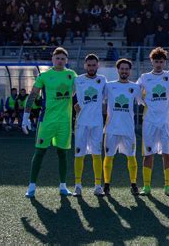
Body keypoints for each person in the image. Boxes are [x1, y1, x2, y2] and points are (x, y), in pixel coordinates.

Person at [23, 47, 78, 198]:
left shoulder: (71, 75)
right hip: (46, 121)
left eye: (62, 59)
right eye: (57, 58)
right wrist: (25, 116)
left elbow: (77, 93)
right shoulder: (44, 76)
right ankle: (32, 186)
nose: (60, 61)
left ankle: (63, 186)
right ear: (52, 59)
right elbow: (33, 95)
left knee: (62, 154)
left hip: (65, 123)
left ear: (66, 60)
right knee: (40, 152)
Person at [136, 47, 169, 196]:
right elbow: (136, 92)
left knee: (167, 153)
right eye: (156, 61)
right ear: (151, 61)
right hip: (149, 121)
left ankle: (168, 186)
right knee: (148, 154)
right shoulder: (145, 77)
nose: (158, 64)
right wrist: (143, 103)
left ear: (164, 62)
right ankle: (146, 186)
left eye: (161, 61)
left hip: (165, 121)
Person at [103, 59, 144, 196]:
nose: (124, 71)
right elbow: (97, 100)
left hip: (128, 130)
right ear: (118, 70)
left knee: (131, 157)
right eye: (122, 69)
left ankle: (133, 184)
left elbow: (144, 102)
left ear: (130, 71)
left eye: (127, 69)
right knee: (109, 157)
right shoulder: (109, 86)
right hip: (111, 129)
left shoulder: (135, 87)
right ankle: (106, 185)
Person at [72, 54, 107, 197]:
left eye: (94, 65)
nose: (91, 67)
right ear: (85, 65)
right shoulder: (77, 80)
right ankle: (78, 186)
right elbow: (68, 96)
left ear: (98, 66)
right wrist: (74, 105)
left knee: (96, 154)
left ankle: (98, 186)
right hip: (81, 123)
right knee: (79, 154)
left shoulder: (102, 80)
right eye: (89, 65)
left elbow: (106, 98)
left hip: (97, 124)